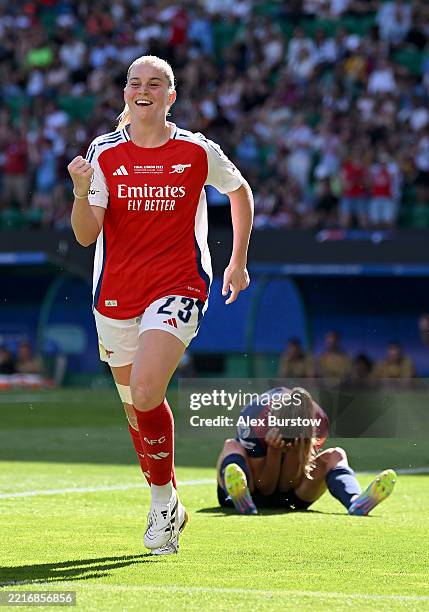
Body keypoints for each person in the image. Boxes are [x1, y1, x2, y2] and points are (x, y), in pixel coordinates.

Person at [67, 55, 253, 555]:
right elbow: (86, 235)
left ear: (171, 97)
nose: (142, 90)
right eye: (135, 83)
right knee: (136, 409)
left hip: (179, 285)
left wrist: (236, 261)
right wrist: (82, 192)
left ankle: (160, 510)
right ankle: (166, 500)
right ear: (125, 93)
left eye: (154, 84)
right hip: (115, 294)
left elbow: (240, 192)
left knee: (147, 390)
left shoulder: (196, 151)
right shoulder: (104, 153)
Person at [216, 387, 396, 516]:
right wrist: (274, 451)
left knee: (336, 455)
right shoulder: (253, 418)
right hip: (255, 489)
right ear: (274, 418)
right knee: (232, 446)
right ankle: (241, 495)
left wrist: (295, 448)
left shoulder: (319, 423)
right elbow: (265, 487)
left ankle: (356, 501)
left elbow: (288, 485)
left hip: (294, 496)